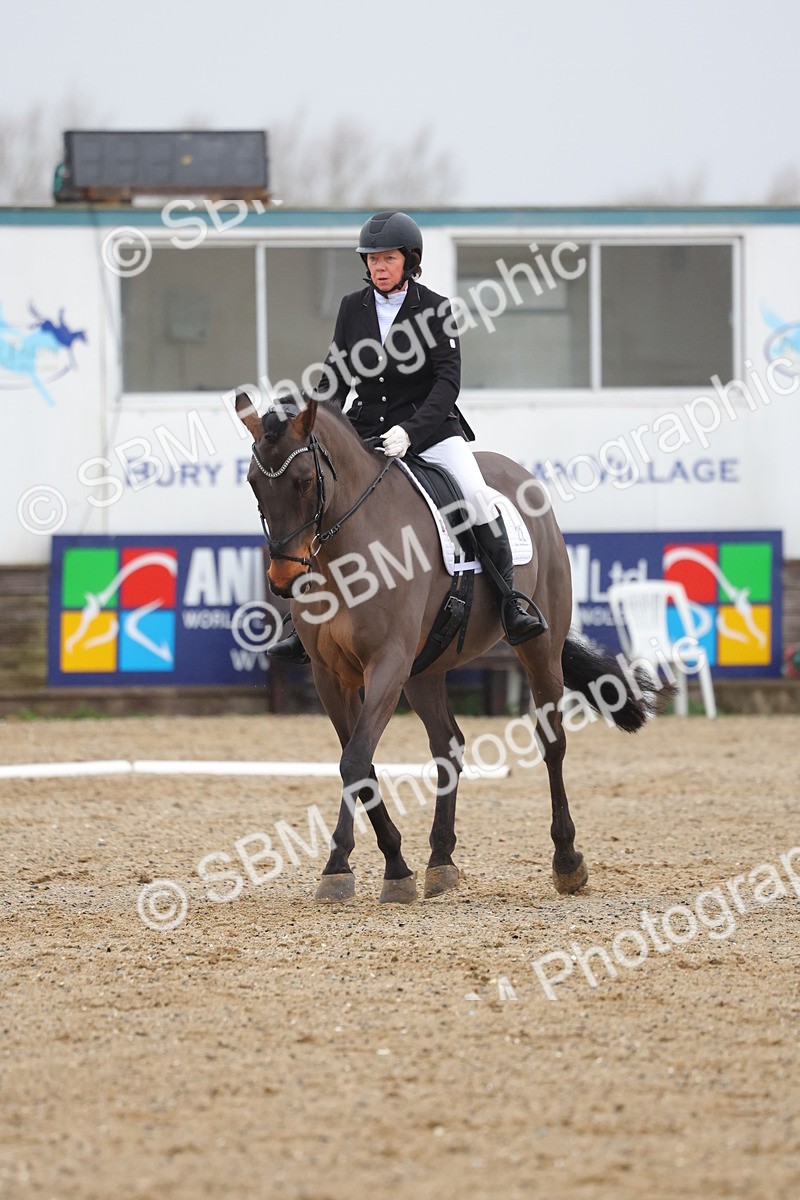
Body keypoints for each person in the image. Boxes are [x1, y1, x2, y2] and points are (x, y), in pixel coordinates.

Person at [268, 210, 545, 663]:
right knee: (322, 501)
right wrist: (308, 418)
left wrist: (410, 432)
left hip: (431, 429)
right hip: (365, 431)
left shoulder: (435, 309)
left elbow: (446, 383)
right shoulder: (351, 308)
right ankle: (306, 622)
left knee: (475, 496)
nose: (379, 266)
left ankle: (512, 602)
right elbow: (335, 378)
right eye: (372, 258)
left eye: (388, 258)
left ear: (409, 260)